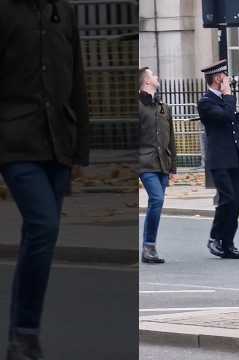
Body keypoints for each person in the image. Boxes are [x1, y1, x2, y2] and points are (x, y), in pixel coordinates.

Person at [0, 0, 90, 358]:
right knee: (43, 226)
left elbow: (77, 79)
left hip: (58, 144)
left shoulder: (63, 11)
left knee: (38, 237)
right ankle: (24, 333)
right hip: (15, 141)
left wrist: (81, 148)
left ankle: (19, 338)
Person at [197, 60, 239, 259]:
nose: (228, 79)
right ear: (218, 79)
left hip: (234, 158)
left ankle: (228, 243)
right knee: (227, 198)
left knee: (236, 202)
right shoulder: (206, 102)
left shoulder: (225, 100)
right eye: (225, 76)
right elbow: (227, 117)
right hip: (219, 160)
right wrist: (228, 96)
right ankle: (214, 237)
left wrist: (228, 97)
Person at [138, 67, 176, 264]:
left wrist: (173, 167)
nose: (157, 77)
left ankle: (149, 247)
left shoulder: (163, 106)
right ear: (146, 82)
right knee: (157, 199)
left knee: (158, 203)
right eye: (153, 75)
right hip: (145, 162)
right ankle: (148, 246)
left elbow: (171, 138)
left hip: (163, 163)